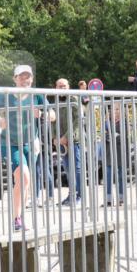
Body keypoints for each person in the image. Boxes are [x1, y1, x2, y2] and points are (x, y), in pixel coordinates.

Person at [0, 65, 56, 231]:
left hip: (31, 144)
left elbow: (53, 115)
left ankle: (20, 217)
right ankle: (17, 218)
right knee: (24, 176)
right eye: (21, 77)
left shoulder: (36, 95)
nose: (25, 80)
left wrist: (41, 114)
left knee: (25, 182)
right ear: (14, 79)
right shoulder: (5, 95)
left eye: (28, 77)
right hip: (9, 143)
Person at [53, 78, 85, 206]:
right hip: (62, 142)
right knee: (67, 169)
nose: (62, 88)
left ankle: (79, 196)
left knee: (76, 168)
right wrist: (55, 137)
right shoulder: (56, 101)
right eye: (59, 86)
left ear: (69, 87)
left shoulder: (73, 99)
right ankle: (71, 195)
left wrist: (67, 136)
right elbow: (54, 121)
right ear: (55, 88)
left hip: (74, 140)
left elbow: (78, 120)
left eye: (64, 86)